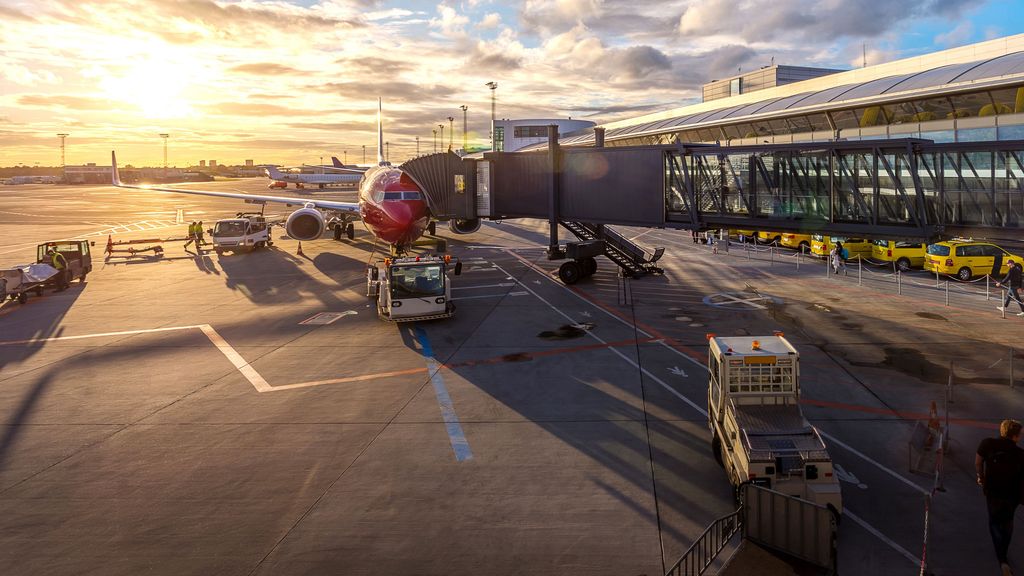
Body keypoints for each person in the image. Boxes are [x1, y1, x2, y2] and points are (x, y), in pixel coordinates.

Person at [977, 419, 1024, 576]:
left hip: (993, 491)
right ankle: (1003, 552)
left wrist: (981, 477)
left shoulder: (987, 444)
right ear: (1015, 437)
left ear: (1002, 431)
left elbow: (978, 462)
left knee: (994, 522)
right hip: (1012, 495)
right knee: (1008, 523)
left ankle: (1002, 559)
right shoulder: (1021, 454)